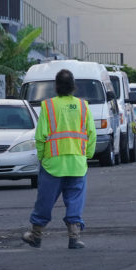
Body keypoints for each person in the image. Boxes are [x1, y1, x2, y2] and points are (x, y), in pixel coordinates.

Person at [22, 69, 97, 250]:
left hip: (53, 163)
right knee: (75, 199)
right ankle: (74, 237)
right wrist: (88, 155)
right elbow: (91, 134)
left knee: (45, 200)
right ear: (73, 87)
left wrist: (42, 157)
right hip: (77, 163)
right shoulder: (83, 106)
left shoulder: (48, 106)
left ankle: (36, 235)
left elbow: (41, 136)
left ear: (55, 86)